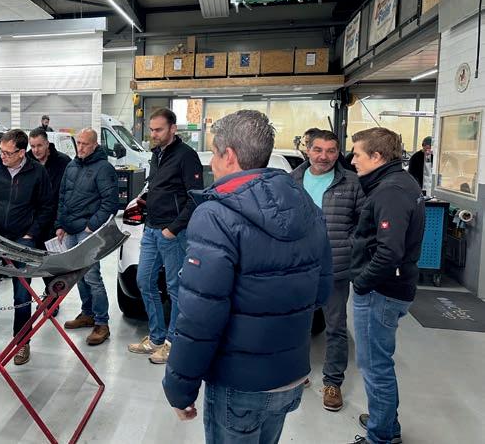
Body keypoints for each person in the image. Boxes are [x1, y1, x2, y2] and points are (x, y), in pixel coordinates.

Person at [163, 110, 332, 444]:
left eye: (214, 153)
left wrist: (180, 387)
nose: (212, 164)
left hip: (238, 384)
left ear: (229, 155)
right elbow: (322, 291)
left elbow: (199, 316)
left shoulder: (216, 215)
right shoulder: (306, 204)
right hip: (289, 376)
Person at [348, 127, 425, 444]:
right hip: (393, 287)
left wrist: (362, 283)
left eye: (357, 154)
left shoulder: (389, 191)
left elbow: (389, 251)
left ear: (377, 156)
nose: (352, 160)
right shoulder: (400, 182)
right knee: (378, 362)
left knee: (374, 366)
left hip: (380, 292)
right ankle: (386, 422)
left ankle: (380, 437)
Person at [0, 129, 54, 366]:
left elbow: (47, 207)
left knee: (22, 295)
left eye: (7, 152)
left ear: (22, 152)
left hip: (23, 241)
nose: (2, 156)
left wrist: (31, 233)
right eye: (0, 151)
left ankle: (22, 342)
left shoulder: (37, 172)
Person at [291, 129, 365, 412]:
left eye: (331, 151)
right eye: (318, 150)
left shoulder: (352, 182)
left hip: (335, 267)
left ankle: (333, 382)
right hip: (299, 267)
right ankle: (298, 373)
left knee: (335, 327)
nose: (324, 156)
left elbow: (364, 223)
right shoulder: (292, 180)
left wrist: (348, 244)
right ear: (307, 150)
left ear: (338, 153)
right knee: (297, 324)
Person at [128, 107, 203, 364]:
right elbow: (159, 187)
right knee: (144, 281)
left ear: (173, 128)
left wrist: (173, 228)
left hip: (173, 233)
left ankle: (173, 343)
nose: (154, 134)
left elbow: (195, 198)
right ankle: (157, 337)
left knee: (175, 288)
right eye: (151, 130)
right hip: (151, 229)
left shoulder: (186, 156)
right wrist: (146, 200)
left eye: (158, 130)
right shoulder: (156, 154)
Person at [57, 128, 118, 345]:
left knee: (92, 277)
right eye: (79, 143)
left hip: (87, 232)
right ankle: (87, 313)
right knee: (78, 276)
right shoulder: (72, 165)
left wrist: (92, 225)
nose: (80, 147)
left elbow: (110, 202)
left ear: (95, 145)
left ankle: (102, 323)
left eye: (85, 144)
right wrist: (60, 224)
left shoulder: (104, 168)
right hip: (70, 230)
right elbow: (63, 197)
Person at [28, 127, 72, 316]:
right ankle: (39, 297)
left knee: (52, 264)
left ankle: (52, 298)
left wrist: (62, 223)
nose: (36, 150)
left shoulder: (63, 162)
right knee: (33, 263)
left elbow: (68, 194)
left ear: (47, 143)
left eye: (39, 145)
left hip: (55, 221)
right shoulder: (26, 160)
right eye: (32, 146)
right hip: (32, 222)